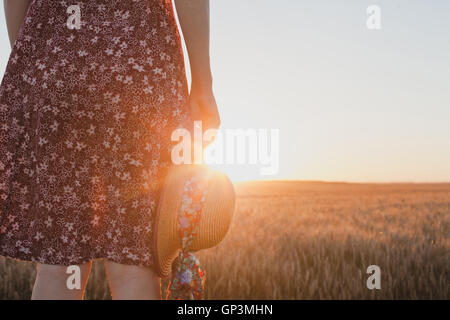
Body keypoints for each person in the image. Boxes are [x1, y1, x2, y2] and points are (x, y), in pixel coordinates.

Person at [0, 0, 220, 300]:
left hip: (56, 57)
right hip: (140, 61)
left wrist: (41, 64)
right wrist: (203, 84)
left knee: (60, 267)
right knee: (133, 264)